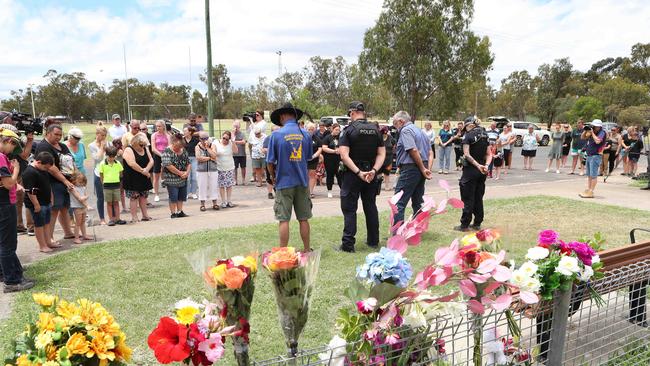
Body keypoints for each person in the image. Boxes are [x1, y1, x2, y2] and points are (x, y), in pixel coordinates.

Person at [337, 101, 385, 253]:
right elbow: (382, 153)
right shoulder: (375, 130)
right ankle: (373, 241)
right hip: (370, 174)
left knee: (350, 209)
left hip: (353, 174)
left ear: (352, 113)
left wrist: (358, 172)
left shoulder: (348, 130)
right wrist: (374, 170)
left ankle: (348, 244)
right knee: (370, 206)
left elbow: (344, 155)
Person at [266, 102, 312, 251]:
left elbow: (270, 162)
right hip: (302, 182)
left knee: (283, 219)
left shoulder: (276, 135)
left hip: (284, 181)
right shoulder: (305, 134)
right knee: (303, 218)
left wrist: (273, 177)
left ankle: (283, 252)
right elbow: (308, 157)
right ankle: (306, 249)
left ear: (283, 116)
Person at [0, 128, 34, 292]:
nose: (13, 151)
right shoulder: (0, 157)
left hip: (3, 203)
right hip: (4, 203)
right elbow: (8, 183)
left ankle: (14, 273)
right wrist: (16, 170)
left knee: (5, 242)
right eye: (13, 147)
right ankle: (12, 281)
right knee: (8, 244)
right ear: (8, 141)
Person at [34, 124, 75, 245]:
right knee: (54, 210)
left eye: (60, 135)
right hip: (51, 182)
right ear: (48, 133)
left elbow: (70, 160)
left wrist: (74, 175)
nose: (58, 137)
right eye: (56, 134)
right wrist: (65, 181)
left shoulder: (62, 145)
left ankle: (68, 232)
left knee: (64, 207)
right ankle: (49, 238)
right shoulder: (43, 146)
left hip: (65, 181)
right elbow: (51, 168)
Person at [392, 111, 433, 228]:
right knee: (418, 200)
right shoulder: (421, 131)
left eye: (395, 123)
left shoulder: (406, 130)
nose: (395, 127)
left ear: (401, 121)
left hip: (411, 168)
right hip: (420, 168)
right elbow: (430, 152)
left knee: (398, 201)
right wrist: (426, 169)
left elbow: (412, 150)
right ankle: (418, 228)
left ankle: (397, 233)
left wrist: (422, 168)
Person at [455, 118, 491, 232]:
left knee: (467, 198)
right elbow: (489, 154)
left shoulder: (468, 136)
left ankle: (464, 224)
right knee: (478, 197)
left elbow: (467, 155)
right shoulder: (485, 135)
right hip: (482, 171)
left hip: (471, 171)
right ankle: (477, 223)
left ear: (468, 125)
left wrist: (477, 165)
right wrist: (485, 165)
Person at [22, 152, 55, 252]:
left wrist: (51, 198)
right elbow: (30, 191)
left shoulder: (43, 169)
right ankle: (42, 245)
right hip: (37, 204)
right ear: (39, 162)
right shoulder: (29, 172)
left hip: (46, 201)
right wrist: (36, 204)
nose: (47, 169)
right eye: (46, 167)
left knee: (47, 223)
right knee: (39, 224)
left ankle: (48, 242)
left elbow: (48, 185)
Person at [122, 133, 154, 222]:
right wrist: (143, 171)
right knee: (134, 197)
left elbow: (151, 160)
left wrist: (146, 170)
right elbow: (132, 163)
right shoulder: (129, 149)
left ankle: (145, 215)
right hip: (132, 178)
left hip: (143, 177)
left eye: (144, 145)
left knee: (144, 196)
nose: (143, 146)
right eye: (141, 145)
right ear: (135, 142)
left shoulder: (145, 148)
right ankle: (134, 217)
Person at [162, 133, 191, 218]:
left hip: (183, 178)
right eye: (177, 146)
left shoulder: (183, 150)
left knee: (181, 196)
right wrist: (180, 173)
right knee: (173, 196)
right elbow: (168, 165)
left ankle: (180, 211)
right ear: (173, 142)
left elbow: (188, 162)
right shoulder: (166, 151)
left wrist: (187, 172)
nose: (179, 148)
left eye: (180, 146)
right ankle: (173, 213)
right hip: (171, 178)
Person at [88, 125, 112, 225]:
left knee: (111, 196)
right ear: (97, 134)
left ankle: (112, 217)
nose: (103, 137)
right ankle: (102, 218)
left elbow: (111, 156)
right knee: (100, 197)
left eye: (105, 135)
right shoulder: (91, 146)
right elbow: (98, 158)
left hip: (109, 173)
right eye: (101, 135)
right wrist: (102, 147)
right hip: (98, 173)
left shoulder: (109, 143)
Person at [579, 119, 607, 198]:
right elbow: (582, 137)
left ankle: (591, 191)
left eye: (595, 126)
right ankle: (588, 189)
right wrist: (585, 130)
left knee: (594, 175)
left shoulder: (602, 132)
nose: (594, 127)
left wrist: (592, 133)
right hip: (589, 155)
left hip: (596, 156)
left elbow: (598, 141)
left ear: (599, 126)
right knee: (589, 175)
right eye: (593, 126)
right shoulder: (593, 131)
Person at [99, 146, 126, 226]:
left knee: (116, 203)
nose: (111, 158)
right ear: (106, 155)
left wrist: (119, 183)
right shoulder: (103, 164)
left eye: (113, 157)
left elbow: (121, 174)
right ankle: (111, 219)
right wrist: (103, 184)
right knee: (109, 203)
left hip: (116, 185)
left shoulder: (118, 163)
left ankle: (117, 219)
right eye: (109, 156)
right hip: (107, 186)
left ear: (115, 156)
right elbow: (101, 175)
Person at [195, 131, 220, 211]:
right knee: (202, 187)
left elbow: (214, 155)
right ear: (199, 139)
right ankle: (202, 204)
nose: (205, 140)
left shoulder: (213, 145)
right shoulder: (197, 147)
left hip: (212, 169)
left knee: (213, 186)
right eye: (203, 139)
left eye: (206, 138)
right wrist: (209, 158)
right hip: (201, 170)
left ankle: (215, 203)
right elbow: (198, 158)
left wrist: (208, 148)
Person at [214, 131, 238, 208]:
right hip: (220, 168)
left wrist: (233, 142)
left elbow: (236, 151)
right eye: (223, 138)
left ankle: (229, 201)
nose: (225, 140)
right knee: (221, 186)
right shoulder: (216, 143)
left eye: (227, 139)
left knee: (229, 185)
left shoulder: (231, 143)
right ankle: (223, 201)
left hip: (229, 167)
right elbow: (214, 153)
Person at [151, 120, 171, 202]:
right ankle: (156, 194)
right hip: (157, 156)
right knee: (156, 176)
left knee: (168, 175)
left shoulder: (167, 135)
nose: (158, 128)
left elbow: (169, 146)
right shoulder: (154, 135)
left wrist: (165, 155)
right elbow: (153, 148)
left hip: (166, 155)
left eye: (159, 126)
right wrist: (161, 155)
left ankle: (170, 193)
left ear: (163, 126)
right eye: (157, 126)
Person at [69, 173, 92, 244]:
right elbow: (80, 199)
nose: (81, 184)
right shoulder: (72, 188)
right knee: (78, 223)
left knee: (83, 222)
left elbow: (83, 199)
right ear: (74, 180)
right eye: (79, 182)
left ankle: (84, 235)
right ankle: (76, 238)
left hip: (83, 206)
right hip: (77, 207)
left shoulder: (83, 187)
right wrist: (86, 197)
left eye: (82, 182)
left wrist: (87, 205)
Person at [321, 124, 343, 198]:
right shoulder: (327, 138)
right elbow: (324, 148)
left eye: (338, 130)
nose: (338, 131)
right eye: (336, 129)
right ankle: (329, 190)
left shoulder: (341, 137)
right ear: (332, 129)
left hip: (339, 160)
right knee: (330, 175)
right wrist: (334, 151)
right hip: (329, 159)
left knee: (340, 175)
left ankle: (342, 190)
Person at [305, 122, 323, 198]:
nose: (311, 131)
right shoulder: (302, 137)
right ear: (306, 129)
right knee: (304, 175)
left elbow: (320, 148)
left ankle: (310, 192)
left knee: (312, 175)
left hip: (313, 159)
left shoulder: (317, 138)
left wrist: (314, 156)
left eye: (312, 129)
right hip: (304, 160)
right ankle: (304, 192)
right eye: (309, 129)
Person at [262, 125, 279, 200]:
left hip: (278, 162)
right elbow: (263, 149)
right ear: (272, 132)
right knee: (269, 177)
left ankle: (278, 191)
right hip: (270, 161)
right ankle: (270, 192)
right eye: (275, 131)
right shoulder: (268, 138)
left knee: (277, 176)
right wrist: (271, 150)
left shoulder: (281, 138)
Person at [183, 126, 199, 199]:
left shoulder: (195, 140)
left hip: (194, 159)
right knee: (187, 177)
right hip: (185, 160)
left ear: (189, 132)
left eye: (185, 131)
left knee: (194, 177)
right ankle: (186, 193)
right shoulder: (182, 140)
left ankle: (194, 192)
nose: (184, 133)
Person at [232, 120, 248, 185]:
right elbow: (230, 141)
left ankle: (243, 180)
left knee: (243, 167)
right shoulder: (231, 134)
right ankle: (235, 180)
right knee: (234, 168)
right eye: (234, 126)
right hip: (234, 154)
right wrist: (233, 134)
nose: (236, 128)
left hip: (242, 154)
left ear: (239, 126)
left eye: (237, 126)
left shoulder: (242, 133)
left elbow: (244, 142)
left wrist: (235, 142)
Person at [379, 126, 394, 191]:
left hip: (388, 158)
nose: (384, 134)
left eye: (385, 133)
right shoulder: (378, 138)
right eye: (383, 133)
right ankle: (378, 186)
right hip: (380, 157)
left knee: (387, 172)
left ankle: (387, 186)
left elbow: (394, 146)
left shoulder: (391, 138)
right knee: (378, 173)